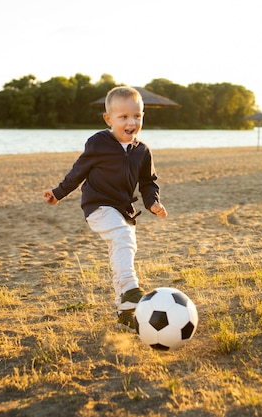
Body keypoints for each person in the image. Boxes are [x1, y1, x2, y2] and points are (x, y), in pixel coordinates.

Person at [43, 86, 167, 332]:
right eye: (123, 117)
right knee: (122, 238)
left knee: (122, 250)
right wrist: (58, 193)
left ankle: (125, 312)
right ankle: (131, 289)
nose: (131, 122)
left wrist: (152, 201)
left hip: (123, 211)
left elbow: (148, 182)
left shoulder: (142, 151)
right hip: (98, 206)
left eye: (137, 116)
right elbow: (78, 171)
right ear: (109, 119)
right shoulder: (98, 142)